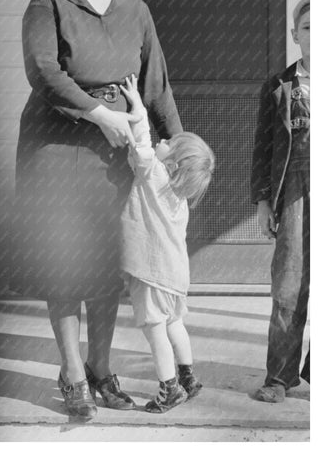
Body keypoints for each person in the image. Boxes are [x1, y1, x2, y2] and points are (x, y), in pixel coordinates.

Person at [13, 0, 182, 419]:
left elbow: (155, 80)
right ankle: (70, 374)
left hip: (116, 152)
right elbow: (42, 70)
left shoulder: (135, 7)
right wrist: (95, 112)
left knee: (112, 259)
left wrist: (173, 138)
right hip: (57, 148)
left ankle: (101, 369)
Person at [119, 75, 215, 413]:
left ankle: (169, 388)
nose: (163, 143)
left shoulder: (156, 176)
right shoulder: (180, 201)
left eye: (169, 145)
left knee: (155, 330)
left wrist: (136, 104)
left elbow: (142, 143)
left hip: (152, 273)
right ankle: (189, 377)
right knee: (175, 324)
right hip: (176, 276)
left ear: (171, 164)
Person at [251, 0, 310, 403]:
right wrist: (262, 200)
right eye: (308, 27)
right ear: (295, 35)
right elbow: (263, 148)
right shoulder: (279, 86)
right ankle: (279, 377)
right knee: (289, 284)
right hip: (295, 191)